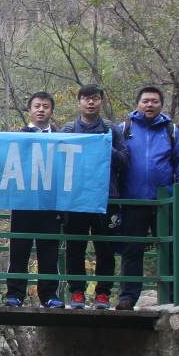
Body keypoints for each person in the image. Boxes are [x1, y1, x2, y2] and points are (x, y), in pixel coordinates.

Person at [116, 85, 179, 311]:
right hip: (133, 200)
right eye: (146, 101)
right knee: (132, 250)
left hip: (164, 202)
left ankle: (172, 295)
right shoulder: (124, 128)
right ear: (138, 104)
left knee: (169, 248)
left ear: (161, 105)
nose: (149, 105)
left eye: (154, 101)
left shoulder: (171, 130)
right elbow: (114, 163)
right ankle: (127, 297)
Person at [61, 85, 129, 309]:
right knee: (75, 247)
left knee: (105, 248)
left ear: (101, 101)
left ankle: (103, 294)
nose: (91, 102)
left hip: (106, 196)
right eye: (86, 98)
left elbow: (124, 161)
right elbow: (57, 162)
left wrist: (105, 146)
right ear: (79, 102)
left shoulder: (111, 129)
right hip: (75, 198)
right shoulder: (68, 130)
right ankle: (77, 292)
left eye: (95, 98)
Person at [4, 92, 64, 308]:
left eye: (45, 106)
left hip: (50, 204)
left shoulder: (62, 139)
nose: (41, 110)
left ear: (51, 111)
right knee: (19, 250)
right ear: (29, 110)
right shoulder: (18, 138)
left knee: (49, 251)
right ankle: (15, 294)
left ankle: (49, 295)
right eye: (37, 106)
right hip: (23, 203)